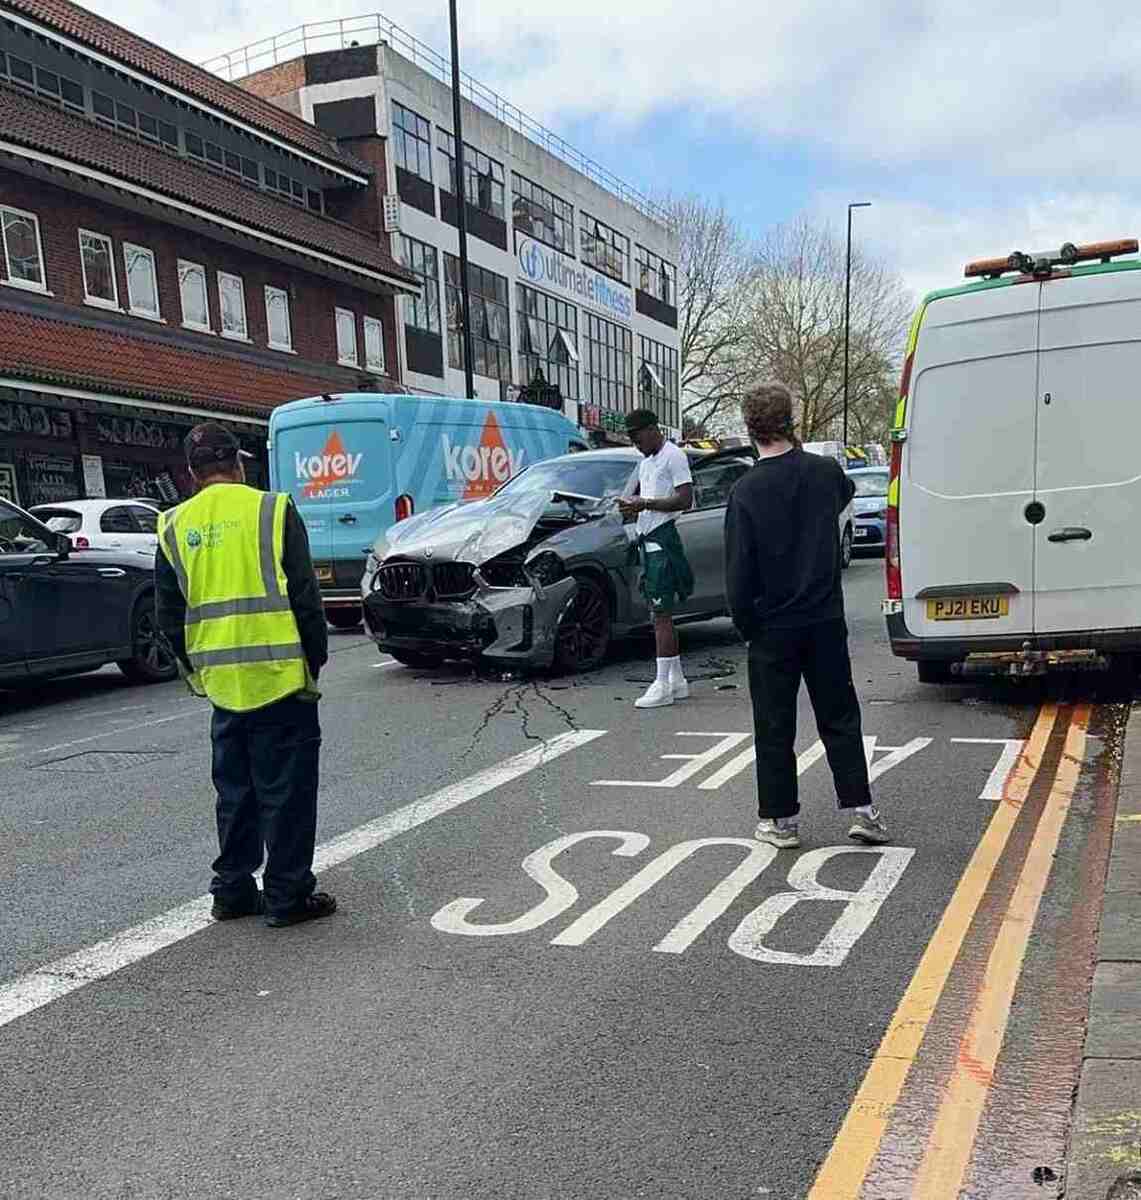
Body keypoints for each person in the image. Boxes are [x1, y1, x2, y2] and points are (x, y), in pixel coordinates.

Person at [155, 423, 337, 927]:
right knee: (287, 793)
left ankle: (232, 890)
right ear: (238, 464)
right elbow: (306, 599)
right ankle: (288, 895)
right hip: (280, 678)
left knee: (235, 793)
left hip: (223, 685)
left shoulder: (172, 525)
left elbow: (169, 615)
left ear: (192, 474)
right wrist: (312, 665)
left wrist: (198, 670)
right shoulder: (273, 510)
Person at [724, 382, 887, 849]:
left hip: (772, 626)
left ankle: (781, 821)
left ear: (750, 427)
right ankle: (863, 811)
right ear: (791, 420)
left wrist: (747, 624)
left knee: (774, 725)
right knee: (839, 715)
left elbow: (739, 572)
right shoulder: (825, 472)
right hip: (824, 620)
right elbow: (844, 493)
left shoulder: (745, 491)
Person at [617, 409, 695, 709]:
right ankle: (676, 679)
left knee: (661, 613)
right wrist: (631, 506)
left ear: (653, 430)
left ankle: (662, 684)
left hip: (662, 538)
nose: (636, 445)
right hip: (649, 538)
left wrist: (644, 503)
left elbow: (685, 499)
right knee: (657, 611)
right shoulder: (647, 461)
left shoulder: (673, 456)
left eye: (638, 439)